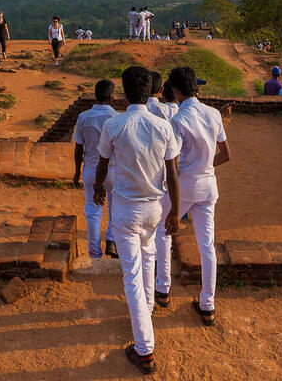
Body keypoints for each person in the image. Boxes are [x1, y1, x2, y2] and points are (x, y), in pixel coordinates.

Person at [94, 66, 180, 375]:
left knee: (132, 274)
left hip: (126, 208)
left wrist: (96, 189)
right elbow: (172, 173)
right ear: (151, 91)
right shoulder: (162, 126)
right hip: (155, 207)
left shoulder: (115, 124)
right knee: (148, 260)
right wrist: (174, 210)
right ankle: (146, 312)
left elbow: (102, 165)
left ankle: (145, 349)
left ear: (124, 92)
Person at [152, 66, 228, 327]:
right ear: (196, 88)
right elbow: (226, 154)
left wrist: (185, 176)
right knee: (207, 245)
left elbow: (170, 164)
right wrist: (204, 166)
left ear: (174, 91)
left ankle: (162, 289)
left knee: (164, 231)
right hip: (208, 185)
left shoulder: (177, 122)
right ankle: (208, 304)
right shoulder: (215, 114)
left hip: (184, 185)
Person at [73, 80, 120, 259]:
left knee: (93, 211)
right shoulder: (117, 117)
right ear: (111, 96)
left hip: (91, 169)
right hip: (113, 170)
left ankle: (94, 253)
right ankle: (111, 240)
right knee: (114, 208)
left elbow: (78, 148)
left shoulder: (84, 117)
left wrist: (77, 171)